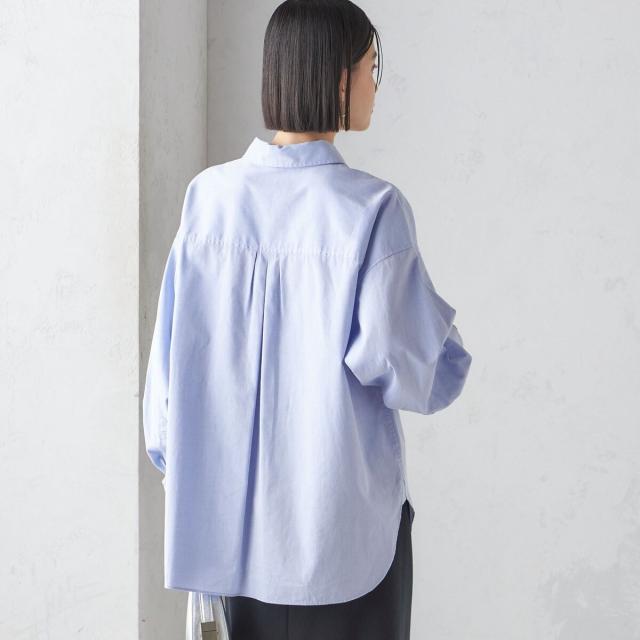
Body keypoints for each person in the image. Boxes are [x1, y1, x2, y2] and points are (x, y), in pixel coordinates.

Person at [142, 1, 473, 638]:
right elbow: (418, 374)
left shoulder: (208, 202)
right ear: (338, 77)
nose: (376, 84)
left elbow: (165, 401)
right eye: (372, 66)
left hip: (231, 548)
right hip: (344, 539)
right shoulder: (372, 210)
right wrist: (448, 346)